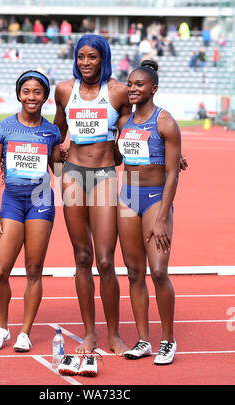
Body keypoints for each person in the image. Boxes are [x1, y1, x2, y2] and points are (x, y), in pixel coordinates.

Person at [53, 34, 132, 356]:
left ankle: (113, 333)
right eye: (81, 57)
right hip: (72, 175)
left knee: (105, 260)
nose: (86, 63)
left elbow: (130, 138)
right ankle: (90, 334)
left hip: (103, 176)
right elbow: (56, 133)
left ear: (103, 58)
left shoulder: (118, 93)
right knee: (82, 258)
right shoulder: (63, 90)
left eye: (93, 57)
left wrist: (168, 154)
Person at [0, 70, 61, 352]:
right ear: (19, 94)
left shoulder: (52, 131)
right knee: (0, 270)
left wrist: (66, 158)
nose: (32, 97)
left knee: (34, 269)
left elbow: (60, 169)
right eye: (27, 91)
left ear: (45, 97)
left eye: (37, 92)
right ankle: (3, 328)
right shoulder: (2, 128)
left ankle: (25, 333)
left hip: (41, 200)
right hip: (12, 201)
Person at [115, 60, 180, 365]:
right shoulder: (124, 121)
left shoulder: (165, 121)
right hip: (127, 197)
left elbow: (172, 174)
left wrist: (162, 217)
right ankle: (143, 340)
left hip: (155, 199)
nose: (132, 89)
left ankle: (168, 339)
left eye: (139, 85)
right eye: (130, 84)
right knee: (134, 273)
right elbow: (118, 155)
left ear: (153, 88)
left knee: (158, 271)